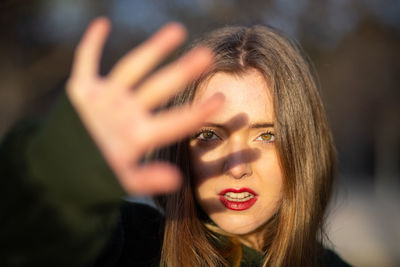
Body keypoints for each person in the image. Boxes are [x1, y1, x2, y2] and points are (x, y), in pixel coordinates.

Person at [0, 17, 350, 267]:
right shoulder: (130, 247)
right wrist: (53, 185)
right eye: (209, 135)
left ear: (303, 146)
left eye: (267, 135)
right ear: (179, 146)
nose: (237, 166)